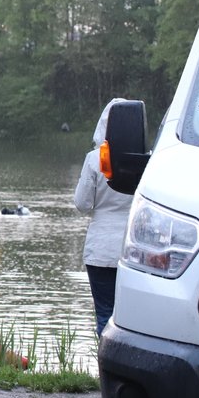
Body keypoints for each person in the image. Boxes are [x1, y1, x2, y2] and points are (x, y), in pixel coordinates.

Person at [74, 98, 133, 336]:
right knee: (130, 316)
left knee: (104, 313)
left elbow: (82, 204)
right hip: (132, 248)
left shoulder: (95, 159)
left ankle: (105, 368)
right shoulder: (144, 159)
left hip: (100, 249)